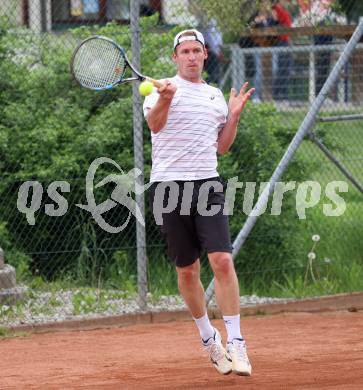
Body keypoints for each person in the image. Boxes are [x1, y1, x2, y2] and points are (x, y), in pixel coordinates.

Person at [143, 29, 254, 376]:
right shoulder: (159, 90)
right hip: (168, 187)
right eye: (185, 51)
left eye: (196, 51)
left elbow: (222, 147)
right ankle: (210, 339)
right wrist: (165, 98)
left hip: (207, 184)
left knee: (221, 260)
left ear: (205, 55)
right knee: (187, 270)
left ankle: (237, 343)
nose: (191, 56)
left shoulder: (215, 96)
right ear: (175, 57)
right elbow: (156, 126)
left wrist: (233, 115)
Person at [271, 0, 293, 100]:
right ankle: (277, 94)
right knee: (281, 68)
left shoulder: (284, 10)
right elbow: (275, 22)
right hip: (281, 41)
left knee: (286, 69)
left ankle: (283, 94)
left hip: (287, 41)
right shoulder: (276, 8)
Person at [200, 18, 224, 85]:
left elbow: (218, 44)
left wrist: (219, 52)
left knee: (215, 74)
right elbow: (206, 43)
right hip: (208, 54)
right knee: (209, 73)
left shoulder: (217, 30)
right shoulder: (204, 30)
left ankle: (214, 84)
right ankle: (208, 83)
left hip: (214, 54)